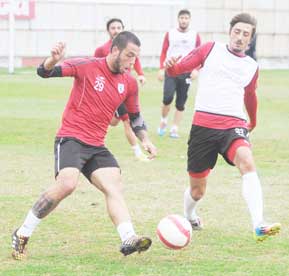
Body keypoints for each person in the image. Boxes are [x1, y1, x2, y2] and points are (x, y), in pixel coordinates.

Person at [11, 31, 157, 260]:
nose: (132, 63)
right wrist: (53, 59)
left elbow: (136, 117)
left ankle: (128, 237)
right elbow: (44, 72)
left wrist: (145, 140)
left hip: (97, 145)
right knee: (67, 185)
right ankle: (22, 233)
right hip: (71, 138)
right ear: (115, 50)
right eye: (129, 56)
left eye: (135, 58)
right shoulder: (87, 65)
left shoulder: (129, 82)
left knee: (114, 185)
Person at [164, 13, 281, 241]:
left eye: (245, 34)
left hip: (233, 125)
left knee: (247, 160)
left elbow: (250, 96)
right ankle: (189, 215)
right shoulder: (210, 49)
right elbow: (180, 68)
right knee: (197, 190)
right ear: (230, 32)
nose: (240, 37)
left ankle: (259, 224)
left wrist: (253, 120)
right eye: (237, 32)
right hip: (203, 127)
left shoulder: (251, 66)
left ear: (250, 40)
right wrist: (170, 67)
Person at [95, 18, 149, 161]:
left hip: (125, 90)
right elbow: (95, 69)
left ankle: (101, 118)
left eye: (119, 27)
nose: (116, 30)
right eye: (113, 28)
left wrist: (141, 74)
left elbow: (136, 61)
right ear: (108, 31)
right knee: (124, 120)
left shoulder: (130, 47)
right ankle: (138, 152)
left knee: (117, 121)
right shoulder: (101, 50)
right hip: (109, 91)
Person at [157, 9, 201, 138]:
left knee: (181, 102)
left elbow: (199, 54)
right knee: (167, 98)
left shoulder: (195, 35)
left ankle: (174, 129)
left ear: (189, 20)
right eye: (182, 18)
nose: (184, 20)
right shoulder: (170, 34)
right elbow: (164, 51)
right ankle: (163, 121)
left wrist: (196, 69)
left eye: (186, 18)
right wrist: (161, 68)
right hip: (171, 70)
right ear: (178, 19)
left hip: (186, 72)